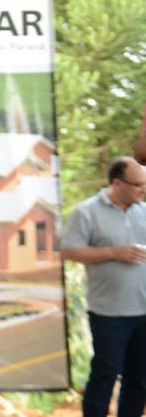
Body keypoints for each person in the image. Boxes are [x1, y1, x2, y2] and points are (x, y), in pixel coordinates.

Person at [60, 157, 146, 417]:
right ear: (117, 183)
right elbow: (68, 251)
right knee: (104, 376)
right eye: (138, 184)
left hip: (144, 311)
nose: (144, 189)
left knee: (140, 379)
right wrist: (113, 252)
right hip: (108, 313)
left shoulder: (143, 210)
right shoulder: (86, 211)